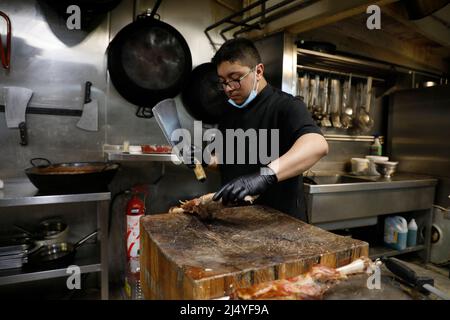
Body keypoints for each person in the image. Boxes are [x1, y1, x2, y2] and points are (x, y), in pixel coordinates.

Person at [208, 38, 328, 221]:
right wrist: (203, 157)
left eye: (235, 78)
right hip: (236, 223)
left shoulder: (286, 106)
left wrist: (266, 176)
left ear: (258, 71)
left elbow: (317, 145)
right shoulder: (230, 110)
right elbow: (229, 159)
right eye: (223, 82)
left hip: (281, 225)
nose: (229, 88)